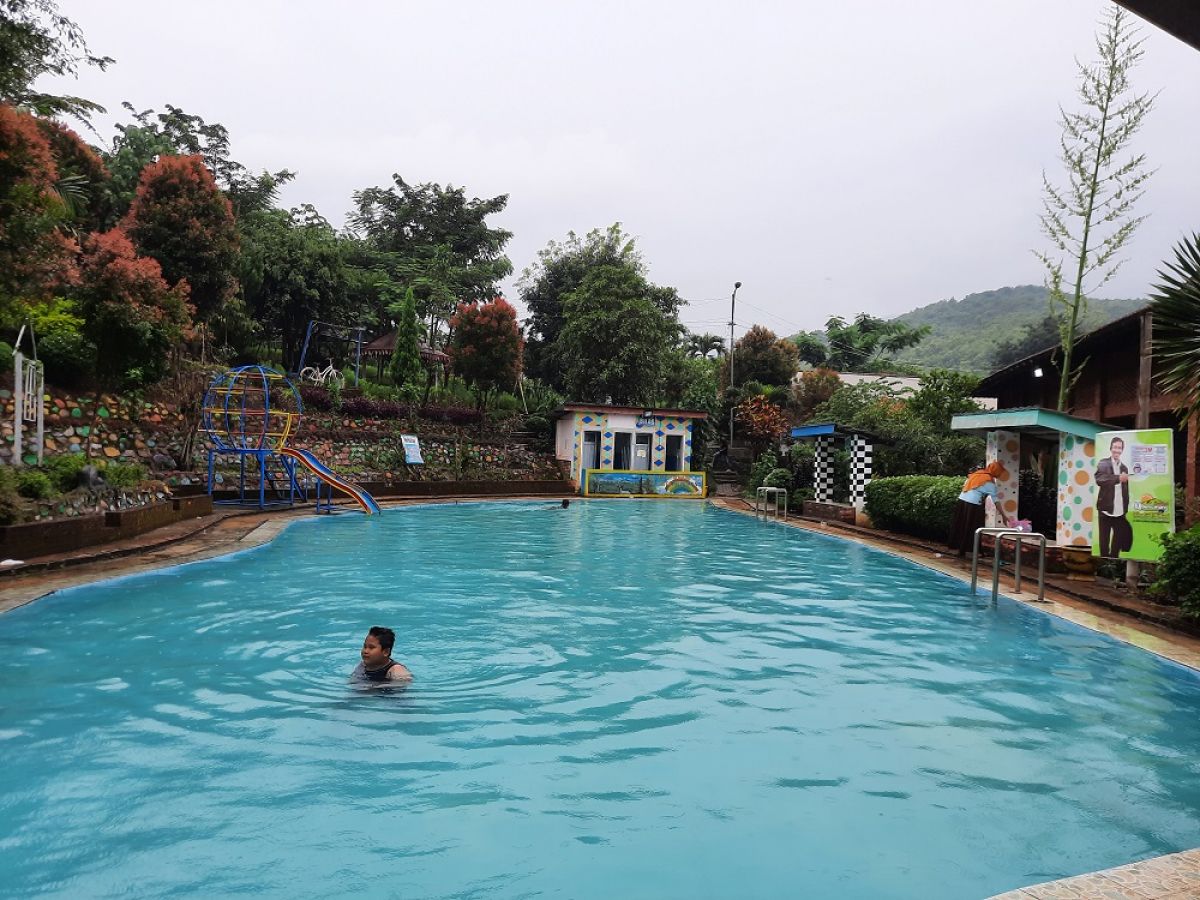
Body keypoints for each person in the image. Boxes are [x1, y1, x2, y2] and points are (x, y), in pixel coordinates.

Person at [947, 461, 1009, 557]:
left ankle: (962, 550)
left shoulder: (976, 474)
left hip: (962, 502)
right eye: (999, 472)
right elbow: (996, 501)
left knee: (961, 525)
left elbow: (965, 485)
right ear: (996, 471)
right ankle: (970, 551)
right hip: (973, 505)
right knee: (973, 528)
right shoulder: (989, 483)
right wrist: (1004, 516)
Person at [1094, 436, 1133, 559]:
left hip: (1120, 509)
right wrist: (1117, 478)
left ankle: (1114, 562)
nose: (1117, 450)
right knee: (1104, 540)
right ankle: (1104, 564)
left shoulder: (1124, 467)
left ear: (1122, 450)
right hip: (1105, 508)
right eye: (1115, 447)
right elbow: (1099, 479)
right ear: (1111, 448)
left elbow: (1125, 489)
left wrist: (1126, 506)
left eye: (1119, 448)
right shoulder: (1103, 463)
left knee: (1118, 540)